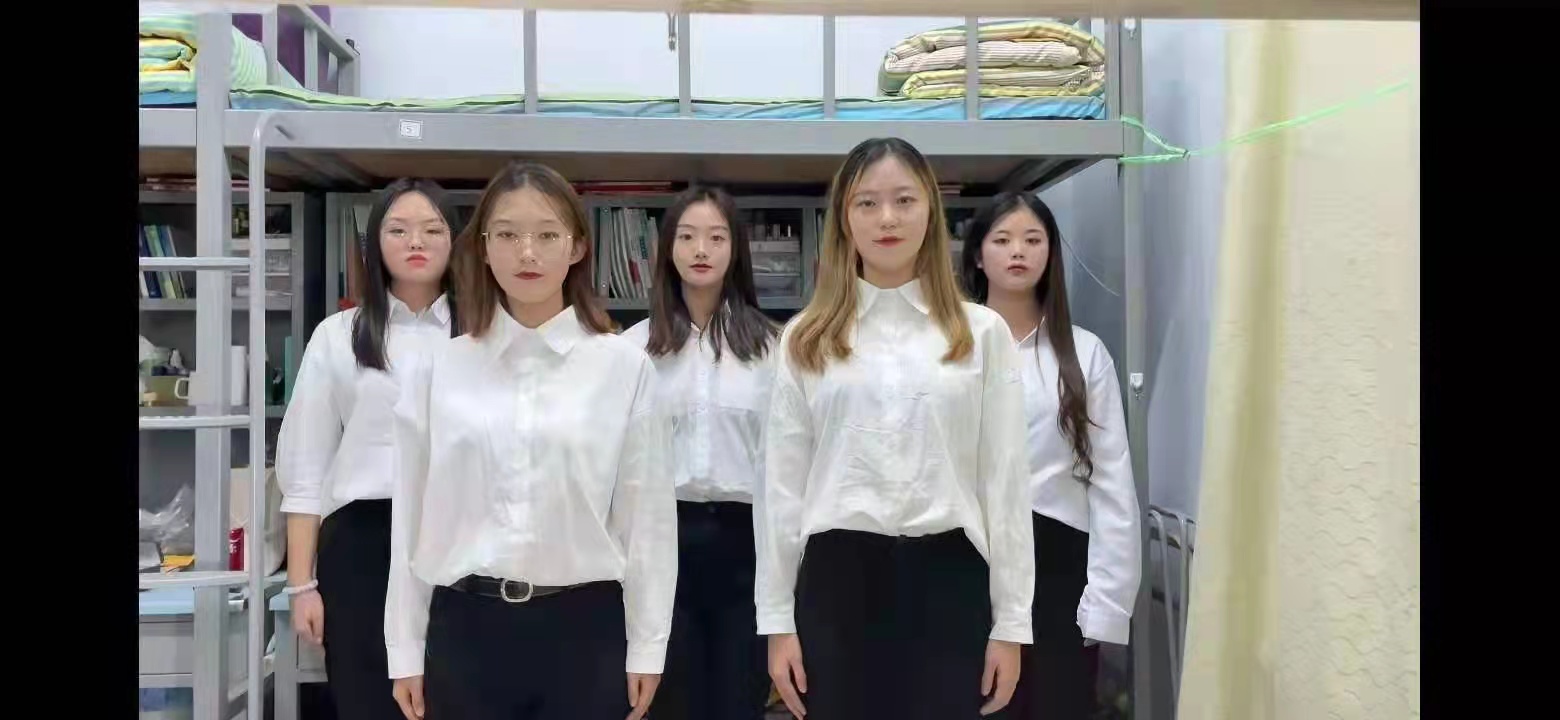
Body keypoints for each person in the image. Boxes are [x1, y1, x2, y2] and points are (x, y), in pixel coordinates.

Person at [384, 161, 677, 720]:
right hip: (465, 629)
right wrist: (404, 646)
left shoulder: (622, 367)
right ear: (483, 247)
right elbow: (411, 517)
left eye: (546, 235)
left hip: (583, 631)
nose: (527, 253)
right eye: (507, 235)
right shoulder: (439, 368)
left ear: (577, 247)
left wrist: (647, 644)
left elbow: (647, 522)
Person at [757, 137, 1035, 720]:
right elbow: (780, 491)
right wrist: (778, 621)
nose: (887, 218)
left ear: (931, 211)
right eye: (867, 203)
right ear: (844, 218)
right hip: (837, 581)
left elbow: (1005, 484)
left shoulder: (982, 334)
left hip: (949, 577)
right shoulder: (805, 338)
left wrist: (1012, 623)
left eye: (904, 200)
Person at [276, 178, 461, 720]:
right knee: (369, 701)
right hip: (362, 545)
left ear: (455, 241)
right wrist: (302, 585)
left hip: (456, 536)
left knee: (457, 696)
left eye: (432, 229)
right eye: (397, 230)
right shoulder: (338, 335)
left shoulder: (483, 333)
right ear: (374, 242)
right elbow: (306, 468)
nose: (415, 242)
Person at [958, 192, 1140, 720]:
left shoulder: (1084, 352)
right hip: (968, 559)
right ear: (977, 255)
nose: (1018, 251)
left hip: (1060, 566)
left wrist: (1105, 603)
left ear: (1050, 254)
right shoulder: (950, 346)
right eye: (1003, 239)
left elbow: (1112, 482)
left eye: (1033, 240)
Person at [620, 185, 778, 720]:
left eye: (716, 237)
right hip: (662, 539)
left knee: (739, 699)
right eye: (687, 237)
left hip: (747, 544)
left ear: (736, 249)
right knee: (671, 701)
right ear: (668, 248)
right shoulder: (632, 350)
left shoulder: (774, 348)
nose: (701, 250)